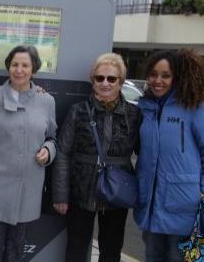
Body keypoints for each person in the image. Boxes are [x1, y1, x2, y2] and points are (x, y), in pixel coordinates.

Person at [134, 49, 204, 262]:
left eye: (165, 75)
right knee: (152, 256)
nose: (158, 80)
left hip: (184, 206)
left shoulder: (193, 107)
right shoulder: (145, 108)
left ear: (177, 78)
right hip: (150, 206)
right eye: (153, 74)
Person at [52, 53, 140, 262]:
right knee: (76, 247)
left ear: (121, 81)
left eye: (112, 79)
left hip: (118, 192)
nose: (105, 83)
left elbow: (145, 155)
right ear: (93, 81)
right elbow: (63, 152)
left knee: (111, 249)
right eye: (99, 78)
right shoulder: (78, 111)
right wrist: (60, 194)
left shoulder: (134, 114)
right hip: (82, 190)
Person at [0, 45, 57, 262]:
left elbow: (53, 138)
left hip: (28, 188)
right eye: (15, 64)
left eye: (25, 65)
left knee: (16, 250)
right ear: (8, 67)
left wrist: (47, 151)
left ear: (33, 69)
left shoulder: (47, 101)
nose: (19, 70)